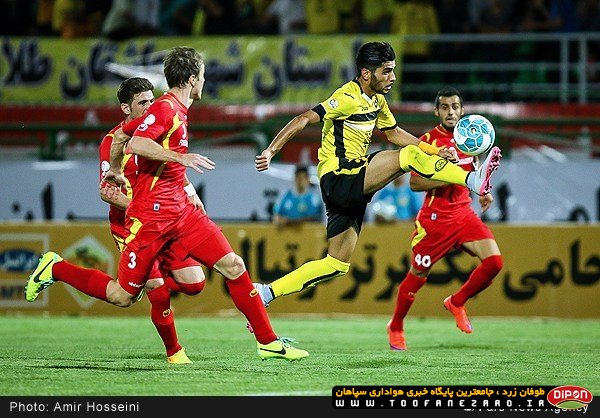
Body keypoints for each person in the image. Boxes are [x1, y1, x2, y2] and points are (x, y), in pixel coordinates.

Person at [25, 46, 308, 361]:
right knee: (123, 295)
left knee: (232, 266)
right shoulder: (166, 109)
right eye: (202, 76)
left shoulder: (174, 110)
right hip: (151, 219)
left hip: (181, 214)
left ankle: (268, 342)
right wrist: (178, 158)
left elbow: (122, 138)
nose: (205, 81)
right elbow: (135, 142)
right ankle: (57, 268)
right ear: (192, 79)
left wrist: (180, 186)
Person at [252, 41, 501, 308]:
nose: (392, 77)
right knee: (406, 157)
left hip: (350, 185)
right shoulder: (347, 98)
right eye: (386, 71)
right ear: (366, 73)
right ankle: (471, 180)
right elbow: (303, 118)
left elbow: (394, 133)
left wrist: (434, 150)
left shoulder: (378, 101)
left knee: (336, 264)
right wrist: (271, 150)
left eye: (393, 70)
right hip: (339, 177)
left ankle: (266, 293)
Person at [386, 86, 504, 351]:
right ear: (436, 111)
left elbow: (474, 173)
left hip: (463, 213)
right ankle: (396, 326)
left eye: (455, 107)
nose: (450, 112)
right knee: (417, 275)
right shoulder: (428, 142)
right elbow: (415, 183)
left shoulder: (471, 138)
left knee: (494, 262)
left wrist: (484, 192)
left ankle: (457, 302)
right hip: (435, 219)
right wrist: (448, 175)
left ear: (462, 110)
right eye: (445, 107)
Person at [98, 76, 204, 364]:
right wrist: (144, 208)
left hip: (161, 223)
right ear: (126, 108)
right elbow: (107, 193)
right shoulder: (112, 142)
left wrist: (190, 193)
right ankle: (174, 352)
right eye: (142, 102)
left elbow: (171, 170)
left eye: (151, 100)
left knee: (194, 283)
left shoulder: (155, 132)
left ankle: (142, 278)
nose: (149, 106)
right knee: (156, 288)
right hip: (131, 226)